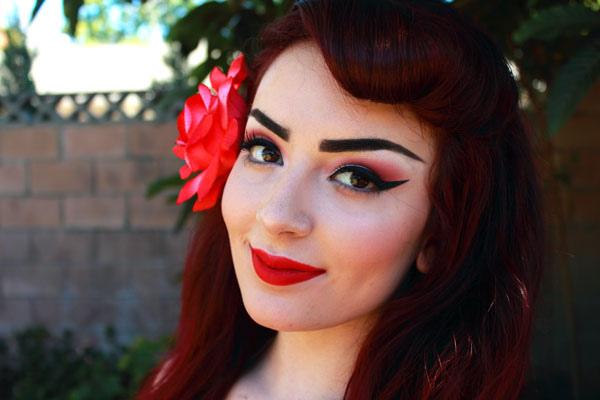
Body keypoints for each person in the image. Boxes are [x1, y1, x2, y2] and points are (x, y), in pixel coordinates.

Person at [137, 0, 545, 399]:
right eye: (265, 151)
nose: (277, 215)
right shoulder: (178, 382)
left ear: (443, 229)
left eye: (356, 178)